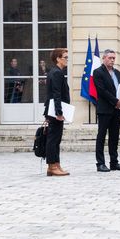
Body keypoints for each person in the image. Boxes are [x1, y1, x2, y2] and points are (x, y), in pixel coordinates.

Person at [91, 48, 120, 172]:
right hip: (105, 109)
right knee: (101, 136)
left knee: (114, 137)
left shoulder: (117, 73)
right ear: (104, 58)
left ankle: (114, 162)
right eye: (110, 58)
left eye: (114, 58)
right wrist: (115, 101)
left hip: (117, 110)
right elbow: (102, 91)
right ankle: (100, 163)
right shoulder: (98, 72)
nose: (112, 60)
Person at [43, 47, 71, 176]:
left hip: (54, 110)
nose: (67, 60)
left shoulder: (56, 72)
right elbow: (56, 94)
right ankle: (52, 166)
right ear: (58, 59)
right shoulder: (56, 73)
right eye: (65, 57)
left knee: (56, 139)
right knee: (53, 139)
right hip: (55, 111)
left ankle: (56, 164)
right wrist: (59, 112)